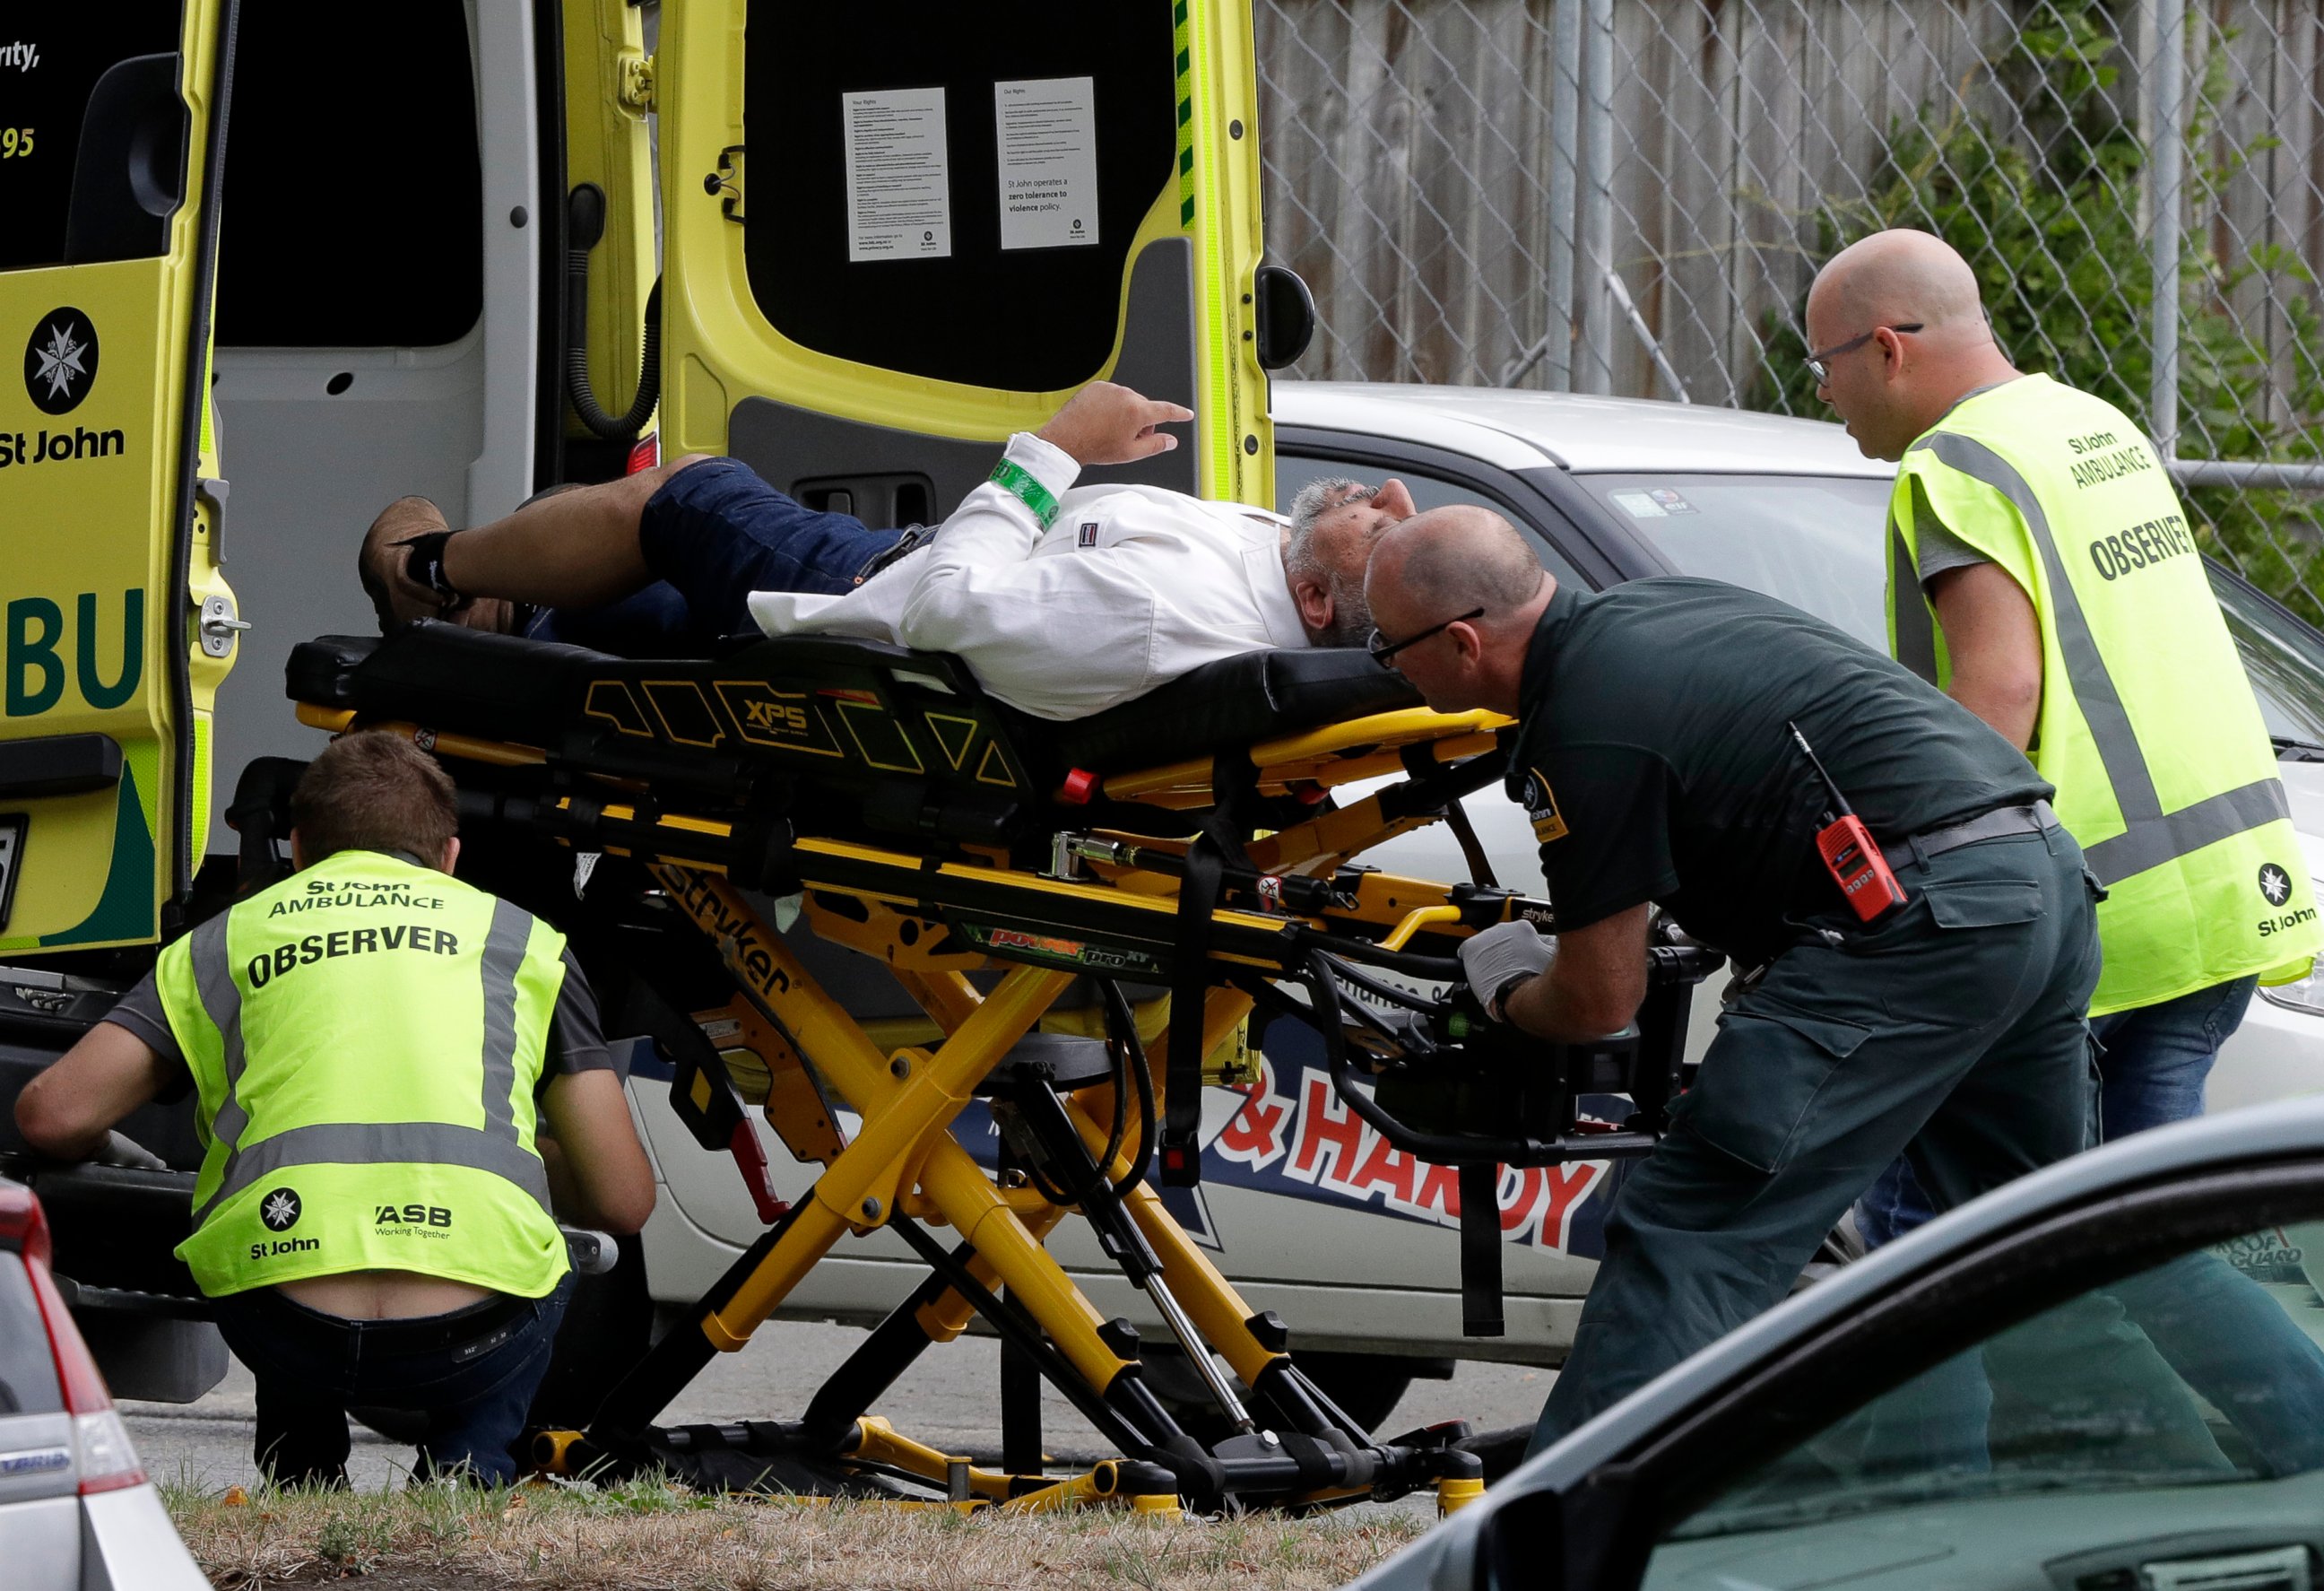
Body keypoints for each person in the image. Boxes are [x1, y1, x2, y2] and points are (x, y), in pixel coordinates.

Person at [1362, 506, 2103, 1450]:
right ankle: (2222, 1489)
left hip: (1916, 925)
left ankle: (1567, 1528)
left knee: (1693, 1228)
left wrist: (1508, 981)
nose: (1389, 666)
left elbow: (1598, 1000)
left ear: (1463, 642)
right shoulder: (1664, 609)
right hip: (2038, 878)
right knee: (2051, 1246)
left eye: (1391, 649)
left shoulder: (1582, 725)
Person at [1804, 228, 2323, 1242]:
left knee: (1937, 1239)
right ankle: (2247, 1401)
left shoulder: (1952, 468)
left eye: (1825, 364)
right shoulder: (2090, 425)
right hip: (2217, 900)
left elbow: (1999, 689)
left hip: (2089, 924)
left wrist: (1889, 873)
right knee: (2140, 1253)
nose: (1824, 391)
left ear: (1886, 349)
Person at [14, 733, 655, 1486]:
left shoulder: (227, 939)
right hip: (472, 1338)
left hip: (285, 1326)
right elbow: (622, 1200)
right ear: (449, 856)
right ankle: (468, 1468)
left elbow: (52, 1117)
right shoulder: (522, 942)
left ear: (297, 847)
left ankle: (302, 1467)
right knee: (554, 1255)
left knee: (271, 1217)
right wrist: (524, 1161)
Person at [359, 382, 1406, 721]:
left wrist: (1055, 453)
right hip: (898, 570)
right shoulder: (1286, 574)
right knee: (640, 619)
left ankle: (432, 571)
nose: (1383, 494)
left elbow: (944, 611)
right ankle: (503, 621)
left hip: (873, 599)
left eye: (1387, 526)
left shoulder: (1159, 618)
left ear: (1318, 602)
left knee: (686, 492)